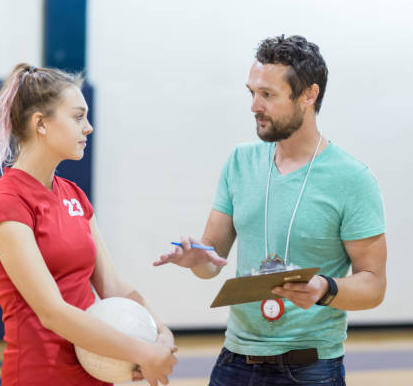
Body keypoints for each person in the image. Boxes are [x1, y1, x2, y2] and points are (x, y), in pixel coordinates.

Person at [154, 35, 386, 385]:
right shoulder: (239, 162)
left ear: (309, 95)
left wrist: (325, 289)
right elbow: (211, 261)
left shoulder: (352, 179)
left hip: (311, 368)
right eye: (252, 92)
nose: (254, 106)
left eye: (268, 95)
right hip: (235, 361)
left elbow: (373, 285)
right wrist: (197, 260)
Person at [0, 63, 177, 386]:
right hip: (39, 375)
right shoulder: (8, 202)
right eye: (78, 116)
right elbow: (52, 311)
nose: (89, 128)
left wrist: (160, 332)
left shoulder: (75, 196)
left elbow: (113, 286)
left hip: (95, 372)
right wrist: (141, 352)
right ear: (40, 124)